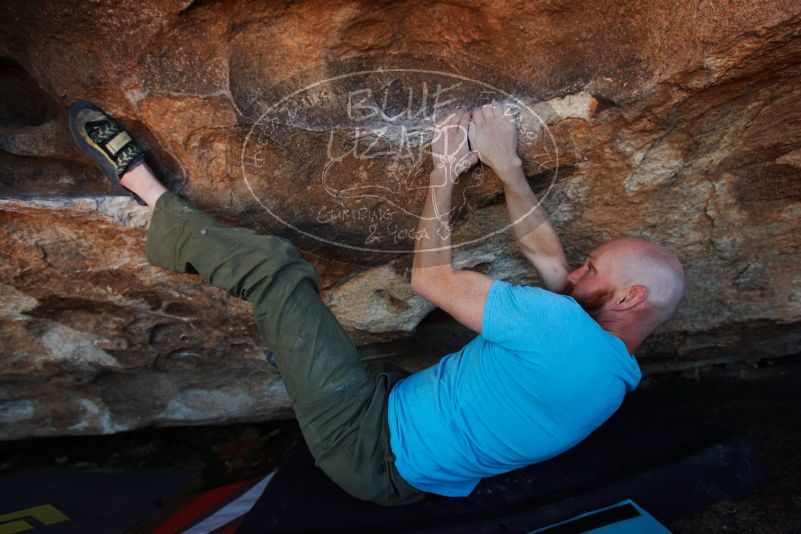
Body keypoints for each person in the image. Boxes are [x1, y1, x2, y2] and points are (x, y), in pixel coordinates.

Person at [68, 99, 684, 506]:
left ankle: (142, 188)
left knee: (276, 271)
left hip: (363, 442)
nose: (578, 268)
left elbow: (432, 280)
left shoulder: (560, 331)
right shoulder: (611, 370)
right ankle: (300, 361)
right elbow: (552, 266)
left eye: (594, 267)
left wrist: (445, 168)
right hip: (408, 453)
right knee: (372, 357)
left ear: (629, 296)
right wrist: (508, 166)